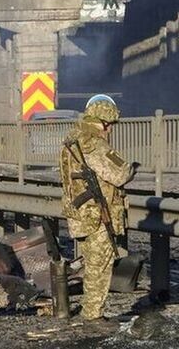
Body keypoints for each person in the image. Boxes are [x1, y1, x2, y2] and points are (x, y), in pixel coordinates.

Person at [60, 95, 134, 322]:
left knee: (93, 263)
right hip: (96, 216)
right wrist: (131, 168)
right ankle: (92, 316)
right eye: (109, 125)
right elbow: (120, 174)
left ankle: (88, 312)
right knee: (100, 266)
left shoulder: (72, 139)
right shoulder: (93, 143)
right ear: (101, 121)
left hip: (82, 213)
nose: (110, 130)